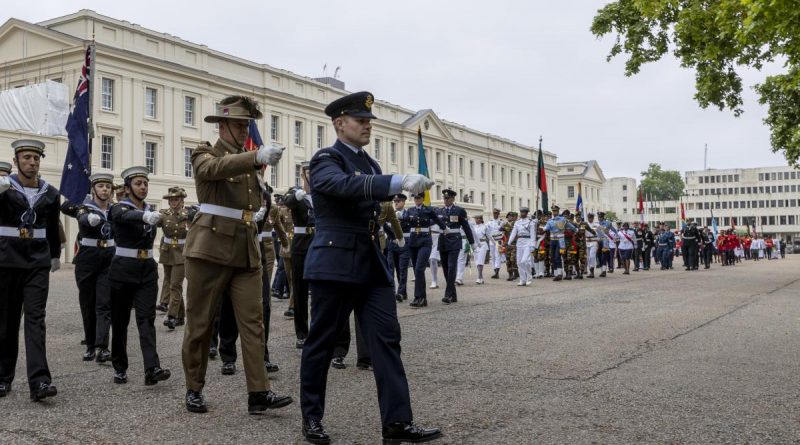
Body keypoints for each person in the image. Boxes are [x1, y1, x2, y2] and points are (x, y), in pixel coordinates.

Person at [299, 91, 441, 444]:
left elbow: (373, 202)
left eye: (368, 122)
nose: (367, 126)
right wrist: (396, 182)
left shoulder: (371, 164)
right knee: (322, 342)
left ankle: (397, 423)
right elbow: (343, 186)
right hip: (335, 262)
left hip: (370, 263)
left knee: (386, 340)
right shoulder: (325, 159)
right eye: (360, 121)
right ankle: (312, 418)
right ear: (339, 123)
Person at [181, 95, 292, 414]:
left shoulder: (249, 162)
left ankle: (258, 392)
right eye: (239, 125)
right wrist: (255, 155)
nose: (244, 131)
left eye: (247, 125)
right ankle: (194, 387)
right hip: (209, 249)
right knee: (200, 324)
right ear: (223, 125)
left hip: (245, 248)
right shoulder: (205, 152)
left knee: (253, 323)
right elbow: (213, 170)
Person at [0, 139, 61, 401]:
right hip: (6, 260)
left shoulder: (50, 193)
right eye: (26, 157)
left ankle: (39, 382)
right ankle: (3, 377)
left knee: (36, 320)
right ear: (16, 160)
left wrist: (56, 255)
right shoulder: (4, 189)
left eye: (36, 158)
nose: (32, 162)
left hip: (37, 261)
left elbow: (52, 228)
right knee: (6, 321)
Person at [107, 166, 171, 387]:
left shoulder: (150, 210)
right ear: (127, 188)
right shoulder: (118, 208)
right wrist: (145, 215)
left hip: (146, 271)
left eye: (145, 183)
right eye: (138, 184)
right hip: (123, 270)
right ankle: (120, 366)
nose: (143, 187)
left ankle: (151, 368)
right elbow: (126, 216)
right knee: (120, 321)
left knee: (146, 319)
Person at [67, 172, 115, 363]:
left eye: (108, 186)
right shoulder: (84, 206)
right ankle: (90, 345)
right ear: (93, 189)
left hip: (108, 258)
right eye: (101, 186)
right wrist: (83, 208)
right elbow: (68, 207)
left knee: (104, 303)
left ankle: (102, 347)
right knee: (87, 303)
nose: (105, 189)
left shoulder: (114, 209)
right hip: (87, 257)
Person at [157, 187, 193, 329]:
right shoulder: (163, 214)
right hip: (167, 252)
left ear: (182, 200)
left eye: (176, 199)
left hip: (182, 252)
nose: (173, 202)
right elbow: (153, 224)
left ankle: (171, 316)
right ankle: (180, 316)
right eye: (171, 200)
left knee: (175, 285)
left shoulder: (189, 214)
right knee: (170, 282)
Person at [403, 192, 445, 307]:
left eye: (419, 197)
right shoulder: (410, 210)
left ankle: (419, 297)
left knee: (419, 269)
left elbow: (437, 220)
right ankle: (421, 298)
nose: (417, 199)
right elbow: (405, 221)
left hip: (425, 241)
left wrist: (445, 229)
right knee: (417, 272)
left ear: (422, 198)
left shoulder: (428, 210)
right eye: (415, 197)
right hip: (413, 241)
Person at [436, 189, 475, 304]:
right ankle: (453, 295)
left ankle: (448, 295)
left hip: (454, 241)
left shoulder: (459, 211)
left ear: (453, 199)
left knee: (452, 267)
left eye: (448, 198)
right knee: (445, 268)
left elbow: (466, 227)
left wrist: (472, 242)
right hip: (443, 241)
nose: (446, 200)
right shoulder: (440, 211)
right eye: (444, 198)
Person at [387, 194, 411, 301]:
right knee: (390, 268)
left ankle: (401, 293)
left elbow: (411, 221)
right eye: (395, 201)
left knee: (402, 269)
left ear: (404, 202)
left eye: (398, 201)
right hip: (392, 244)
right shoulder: (389, 213)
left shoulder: (408, 213)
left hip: (405, 244)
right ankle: (392, 292)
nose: (396, 203)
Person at [543, 205, 576, 281]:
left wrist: (576, 230)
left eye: (555, 211)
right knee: (552, 257)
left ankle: (559, 274)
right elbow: (546, 228)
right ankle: (556, 273)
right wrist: (541, 229)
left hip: (560, 240)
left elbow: (571, 226)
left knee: (557, 257)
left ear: (558, 211)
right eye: (553, 211)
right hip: (552, 241)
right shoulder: (550, 221)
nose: (554, 212)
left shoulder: (563, 219)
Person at [507, 207, 534, 286]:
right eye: (521, 212)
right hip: (519, 242)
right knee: (519, 262)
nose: (522, 214)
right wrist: (509, 242)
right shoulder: (517, 222)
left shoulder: (530, 222)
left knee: (524, 261)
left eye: (523, 212)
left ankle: (529, 277)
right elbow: (513, 233)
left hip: (528, 242)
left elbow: (533, 235)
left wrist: (533, 245)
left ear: (526, 213)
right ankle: (523, 280)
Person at [471, 215, 490, 284]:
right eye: (475, 218)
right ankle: (481, 277)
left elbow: (489, 236)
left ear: (480, 219)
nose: (476, 220)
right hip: (475, 245)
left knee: (480, 261)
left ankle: (479, 277)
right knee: (477, 261)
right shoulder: (473, 226)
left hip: (483, 244)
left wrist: (496, 244)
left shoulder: (484, 226)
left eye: (477, 218)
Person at [486, 208, 505, 279]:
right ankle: (494, 270)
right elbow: (487, 231)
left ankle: (497, 272)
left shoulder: (502, 222)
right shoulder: (489, 222)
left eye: (496, 213)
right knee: (492, 256)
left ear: (498, 214)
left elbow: (503, 232)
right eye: (494, 213)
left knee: (498, 256)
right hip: (492, 241)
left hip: (499, 241)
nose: (495, 214)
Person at [584, 213, 599, 278]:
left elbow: (599, 234)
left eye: (591, 218)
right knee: (588, 258)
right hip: (587, 242)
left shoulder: (596, 225)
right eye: (589, 218)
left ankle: (592, 272)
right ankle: (590, 272)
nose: (590, 219)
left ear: (593, 218)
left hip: (594, 242)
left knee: (592, 257)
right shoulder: (584, 225)